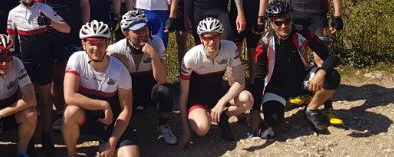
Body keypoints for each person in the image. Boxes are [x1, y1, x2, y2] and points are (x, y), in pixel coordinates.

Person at [248, 1, 340, 138]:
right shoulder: (265, 43)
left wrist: (321, 71)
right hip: (277, 88)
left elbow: (332, 57)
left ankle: (311, 110)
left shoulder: (302, 31)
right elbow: (258, 77)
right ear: (271, 23)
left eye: (287, 21)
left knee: (332, 76)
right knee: (274, 120)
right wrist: (255, 111)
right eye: (278, 23)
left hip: (301, 81)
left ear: (291, 18)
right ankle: (305, 99)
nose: (284, 26)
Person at [4, 0, 70, 147]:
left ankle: (47, 136)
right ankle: (29, 136)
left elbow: (67, 29)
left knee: (45, 100)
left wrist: (50, 23)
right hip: (25, 63)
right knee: (27, 101)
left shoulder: (44, 8)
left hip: (44, 60)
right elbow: (10, 41)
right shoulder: (13, 14)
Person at [61, 21, 139, 157]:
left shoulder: (119, 69)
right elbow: (69, 96)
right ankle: (71, 154)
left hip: (112, 121)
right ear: (83, 44)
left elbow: (127, 110)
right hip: (86, 118)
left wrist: (112, 143)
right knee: (70, 112)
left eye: (100, 43)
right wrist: (103, 105)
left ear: (107, 44)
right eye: (91, 43)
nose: (96, 48)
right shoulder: (76, 59)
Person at [106, 11, 176, 145]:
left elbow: (162, 80)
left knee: (165, 91)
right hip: (129, 93)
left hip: (149, 89)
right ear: (126, 33)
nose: (143, 34)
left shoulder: (157, 42)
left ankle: (163, 125)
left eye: (144, 28)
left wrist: (154, 56)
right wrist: (115, 58)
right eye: (137, 31)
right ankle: (123, 127)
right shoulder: (117, 48)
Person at [178, 18, 252, 144]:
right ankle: (207, 115)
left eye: (215, 37)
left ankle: (223, 116)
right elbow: (183, 95)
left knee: (247, 98)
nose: (211, 41)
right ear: (201, 38)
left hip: (218, 92)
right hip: (197, 97)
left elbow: (240, 82)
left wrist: (221, 102)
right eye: (207, 38)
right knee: (202, 129)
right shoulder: (191, 57)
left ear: (220, 36)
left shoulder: (230, 47)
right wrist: (185, 130)